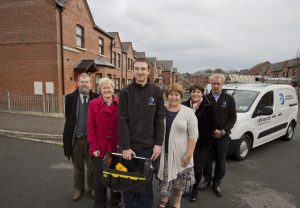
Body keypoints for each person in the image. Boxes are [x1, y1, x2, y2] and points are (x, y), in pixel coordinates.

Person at [118, 57, 165, 208]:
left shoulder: (156, 91)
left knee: (145, 184)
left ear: (148, 71)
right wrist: (125, 146)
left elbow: (159, 119)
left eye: (143, 69)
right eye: (137, 69)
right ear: (134, 70)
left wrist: (158, 144)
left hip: (148, 148)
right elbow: (122, 120)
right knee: (129, 182)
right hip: (129, 148)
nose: (140, 72)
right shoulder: (125, 92)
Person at [157, 83, 199, 208]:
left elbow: (193, 135)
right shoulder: (161, 110)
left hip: (182, 154)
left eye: (176, 94)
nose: (173, 97)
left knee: (179, 181)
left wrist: (189, 153)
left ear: (181, 96)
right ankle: (165, 197)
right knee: (165, 178)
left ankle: (177, 201)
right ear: (167, 96)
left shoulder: (188, 112)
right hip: (164, 152)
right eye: (171, 94)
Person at [199, 74, 237, 197]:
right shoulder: (205, 98)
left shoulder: (229, 99)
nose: (215, 86)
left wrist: (223, 131)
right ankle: (207, 180)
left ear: (222, 84)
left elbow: (233, 117)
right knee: (207, 160)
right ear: (210, 84)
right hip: (208, 136)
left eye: (218, 83)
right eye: (213, 83)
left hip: (223, 136)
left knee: (221, 161)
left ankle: (217, 183)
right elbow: (201, 117)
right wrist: (209, 130)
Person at [63, 73, 98, 201]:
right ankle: (78, 189)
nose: (84, 84)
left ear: (90, 83)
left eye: (87, 81)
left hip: (91, 140)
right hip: (76, 139)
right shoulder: (70, 98)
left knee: (92, 167)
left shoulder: (97, 98)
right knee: (77, 168)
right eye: (82, 81)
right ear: (77, 83)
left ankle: (93, 188)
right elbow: (69, 119)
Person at [87, 78, 121, 208]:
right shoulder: (93, 104)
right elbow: (90, 128)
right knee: (100, 178)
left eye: (109, 87)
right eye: (104, 88)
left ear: (113, 88)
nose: (107, 90)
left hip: (116, 147)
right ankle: (100, 203)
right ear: (100, 90)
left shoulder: (120, 103)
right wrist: (93, 146)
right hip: (100, 148)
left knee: (116, 176)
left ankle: (116, 201)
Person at [182, 83, 217, 202]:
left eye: (198, 92)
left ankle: (195, 188)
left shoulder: (209, 105)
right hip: (185, 142)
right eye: (193, 91)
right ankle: (186, 187)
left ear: (202, 93)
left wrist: (197, 137)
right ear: (190, 93)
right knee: (186, 166)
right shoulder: (184, 105)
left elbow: (212, 125)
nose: (195, 94)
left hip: (202, 143)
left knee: (197, 168)